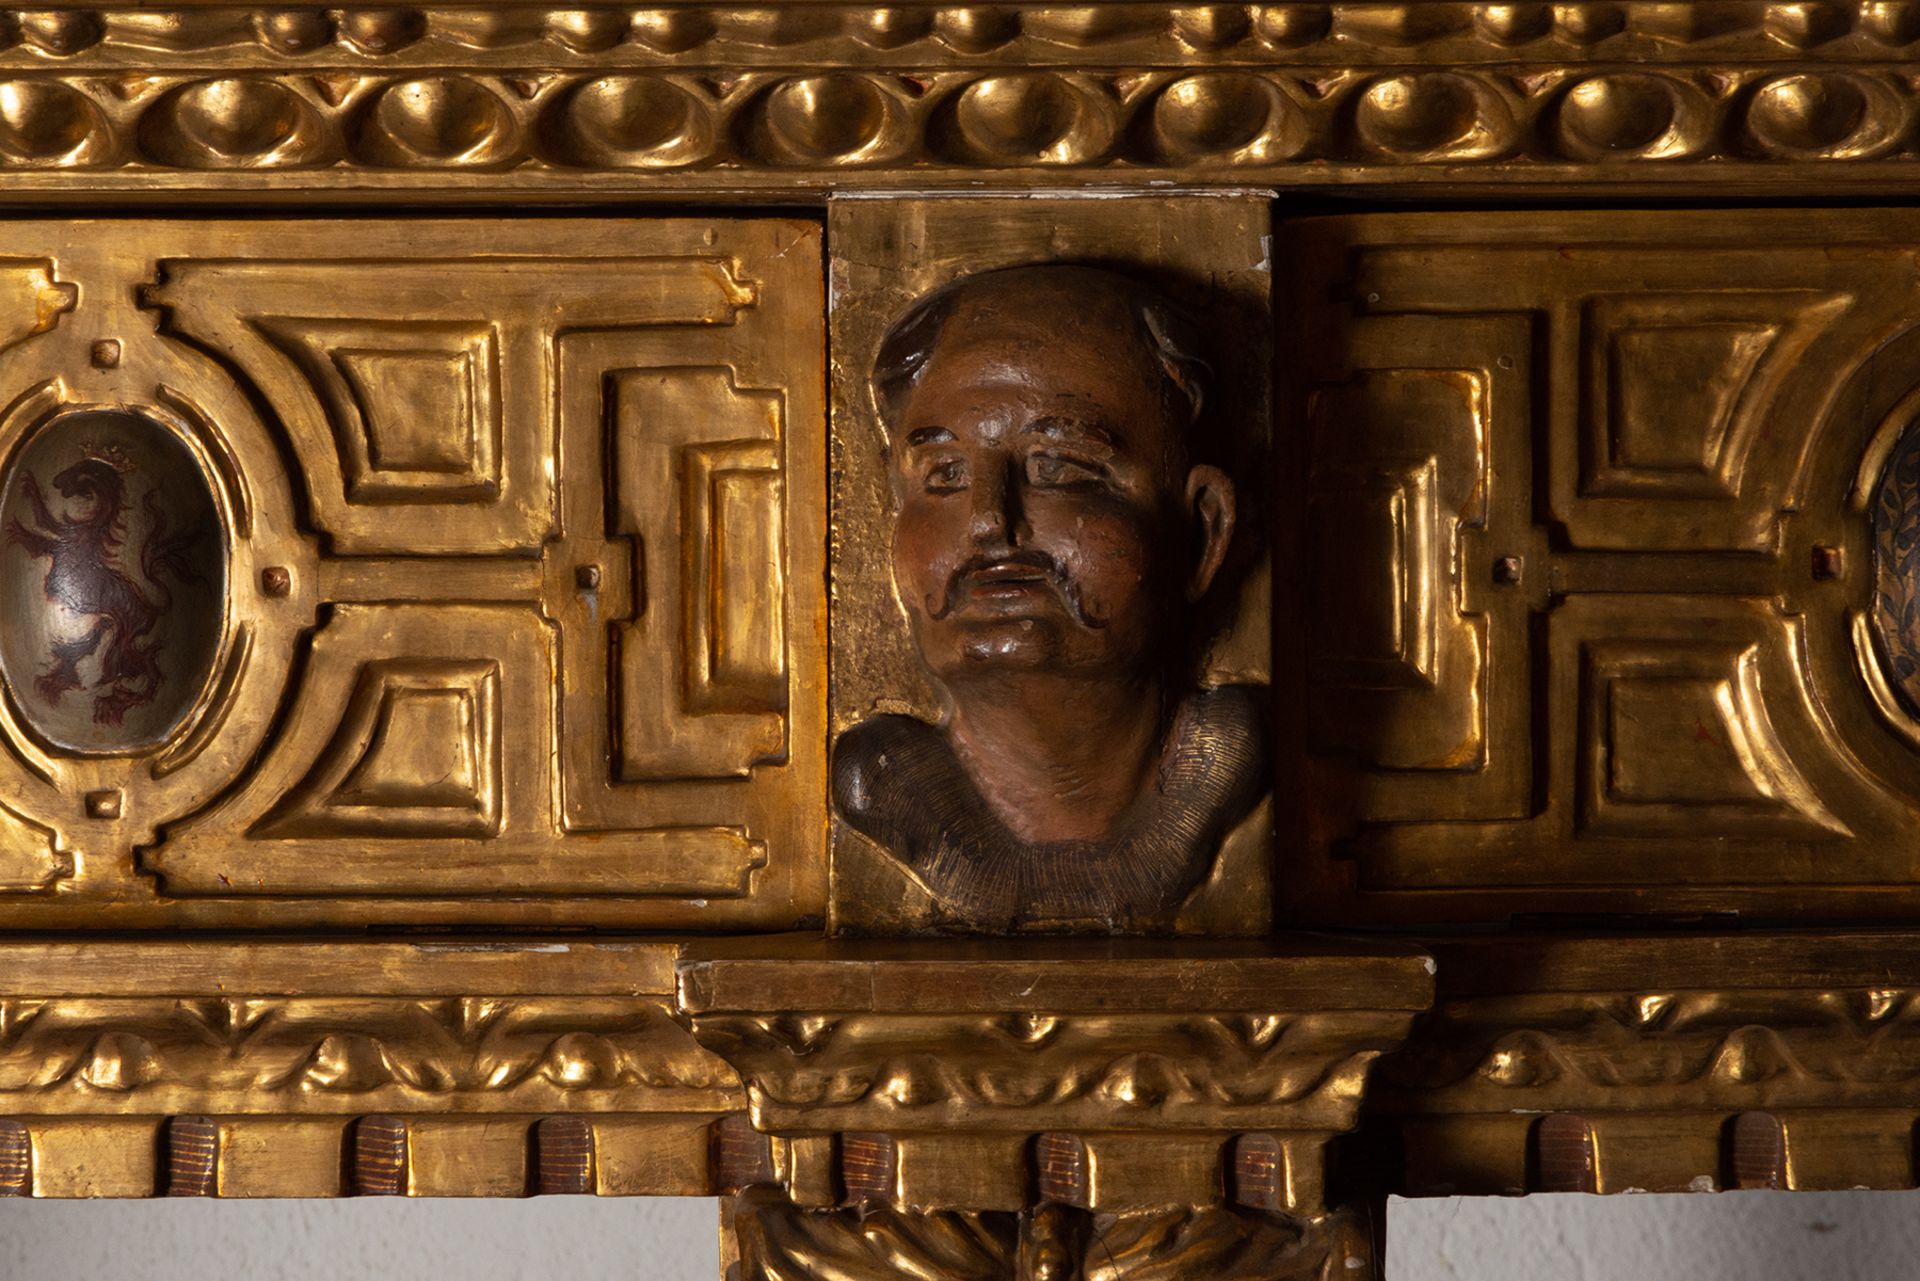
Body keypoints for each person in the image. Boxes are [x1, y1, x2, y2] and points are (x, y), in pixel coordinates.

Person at [832, 264, 1267, 932]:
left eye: (1058, 467)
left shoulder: (1237, 763)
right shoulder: (880, 782)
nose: (989, 520)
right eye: (945, 475)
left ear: (1202, 532)